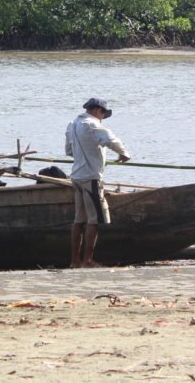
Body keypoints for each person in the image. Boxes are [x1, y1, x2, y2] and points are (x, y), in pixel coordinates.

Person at [65, 97, 131, 268]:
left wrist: (85, 154)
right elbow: (110, 139)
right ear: (97, 110)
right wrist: (124, 153)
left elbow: (69, 151)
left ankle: (74, 261)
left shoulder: (72, 125)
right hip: (90, 177)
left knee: (79, 219)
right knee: (94, 219)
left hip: (77, 177)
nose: (102, 118)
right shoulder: (92, 124)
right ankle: (87, 261)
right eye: (103, 114)